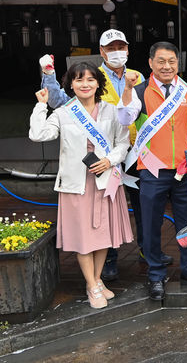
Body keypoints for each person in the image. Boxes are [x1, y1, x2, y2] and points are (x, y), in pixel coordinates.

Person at [38, 30, 168, 280]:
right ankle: (108, 260)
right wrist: (49, 76)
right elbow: (61, 101)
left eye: (121, 46)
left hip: (138, 151)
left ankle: (147, 250)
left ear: (128, 49)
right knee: (105, 207)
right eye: (111, 47)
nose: (116, 51)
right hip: (105, 157)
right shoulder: (91, 77)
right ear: (102, 51)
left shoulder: (139, 77)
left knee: (144, 205)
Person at [29, 63, 133, 309]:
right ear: (71, 85)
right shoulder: (64, 113)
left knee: (102, 235)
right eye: (78, 80)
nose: (84, 84)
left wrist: (110, 160)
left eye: (89, 79)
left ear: (98, 83)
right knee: (83, 237)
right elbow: (38, 134)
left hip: (105, 180)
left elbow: (122, 142)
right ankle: (92, 284)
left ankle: (95, 281)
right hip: (76, 184)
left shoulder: (111, 110)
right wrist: (41, 105)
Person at [117, 41, 187, 301]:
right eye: (161, 61)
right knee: (150, 225)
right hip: (151, 169)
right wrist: (126, 90)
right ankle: (156, 275)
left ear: (177, 63)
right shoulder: (139, 91)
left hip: (184, 168)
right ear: (150, 63)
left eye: (172, 61)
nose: (167, 66)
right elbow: (125, 119)